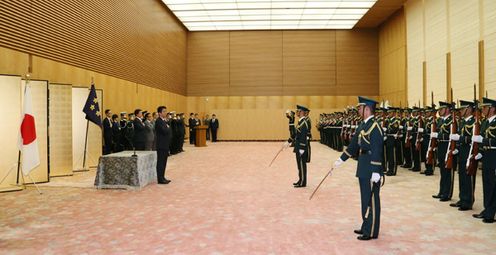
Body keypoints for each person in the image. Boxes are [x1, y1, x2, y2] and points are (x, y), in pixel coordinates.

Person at [333, 96, 383, 241]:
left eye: (360, 108)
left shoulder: (375, 127)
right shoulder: (362, 125)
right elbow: (353, 146)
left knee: (372, 200)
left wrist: (375, 171)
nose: (358, 110)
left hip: (371, 167)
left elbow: (377, 149)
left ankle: (371, 230)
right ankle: (366, 224)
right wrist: (341, 159)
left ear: (367, 109)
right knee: (365, 198)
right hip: (363, 165)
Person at [472, 97, 496, 223]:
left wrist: (483, 141)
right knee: (486, 184)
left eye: (485, 107)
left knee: (493, 185)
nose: (483, 110)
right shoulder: (486, 122)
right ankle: (487, 209)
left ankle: (490, 213)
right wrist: (480, 152)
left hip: (494, 156)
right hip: (486, 156)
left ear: (492, 108)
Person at [449, 100, 475, 211]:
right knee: (462, 177)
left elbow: (473, 139)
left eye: (462, 109)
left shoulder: (474, 122)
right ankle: (462, 198)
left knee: (468, 177)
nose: (460, 111)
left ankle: (468, 201)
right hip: (462, 153)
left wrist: (459, 139)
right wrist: (456, 149)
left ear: (468, 109)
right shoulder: (463, 122)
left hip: (469, 152)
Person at [431, 101, 455, 202]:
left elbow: (452, 135)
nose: (439, 111)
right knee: (442, 170)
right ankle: (441, 191)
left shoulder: (452, 121)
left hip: (447, 146)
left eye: (442, 109)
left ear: (447, 109)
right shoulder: (440, 120)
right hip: (441, 146)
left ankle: (447, 193)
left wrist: (438, 136)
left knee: (447, 170)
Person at [293, 105, 311, 188]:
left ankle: (302, 182)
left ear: (303, 112)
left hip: (301, 148)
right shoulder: (300, 121)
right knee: (299, 165)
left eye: (299, 111)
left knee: (302, 165)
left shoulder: (304, 123)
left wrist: (302, 148)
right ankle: (300, 180)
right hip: (298, 147)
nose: (297, 112)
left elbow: (303, 137)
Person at [155, 106, 172, 184]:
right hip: (161, 145)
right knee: (161, 162)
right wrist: (167, 127)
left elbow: (168, 129)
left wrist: (167, 127)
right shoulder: (158, 121)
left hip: (165, 144)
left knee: (164, 162)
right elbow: (165, 131)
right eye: (164, 111)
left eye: (166, 111)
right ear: (159, 113)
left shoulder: (164, 121)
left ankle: (163, 177)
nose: (165, 112)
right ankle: (160, 179)